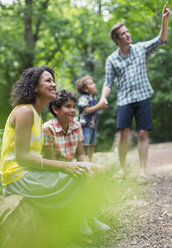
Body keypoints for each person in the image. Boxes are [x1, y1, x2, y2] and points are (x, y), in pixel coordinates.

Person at [0, 66, 105, 248]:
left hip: (29, 172)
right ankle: (71, 232)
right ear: (34, 87)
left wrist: (67, 165)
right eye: (48, 80)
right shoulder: (24, 112)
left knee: (95, 171)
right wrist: (64, 166)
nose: (54, 84)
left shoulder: (36, 115)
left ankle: (77, 225)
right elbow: (22, 157)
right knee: (86, 175)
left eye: (53, 80)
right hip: (17, 176)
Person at [100, 2, 171, 181]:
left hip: (142, 96)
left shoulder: (140, 49)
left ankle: (142, 171)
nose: (128, 34)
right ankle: (122, 169)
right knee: (123, 134)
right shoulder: (111, 60)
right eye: (123, 33)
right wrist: (103, 98)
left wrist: (164, 21)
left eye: (127, 31)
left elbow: (161, 40)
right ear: (117, 39)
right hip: (124, 100)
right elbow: (108, 82)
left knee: (142, 133)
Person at [42, 89, 110, 235]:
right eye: (68, 106)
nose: (73, 110)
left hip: (71, 165)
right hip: (56, 169)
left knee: (101, 170)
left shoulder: (77, 126)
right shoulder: (48, 129)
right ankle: (79, 218)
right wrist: (82, 170)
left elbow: (80, 155)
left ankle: (90, 215)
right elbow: (50, 161)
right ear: (55, 109)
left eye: (73, 106)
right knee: (88, 176)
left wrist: (86, 166)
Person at [75, 75, 106, 162]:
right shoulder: (83, 98)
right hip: (85, 125)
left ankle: (90, 160)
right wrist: (99, 105)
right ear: (85, 89)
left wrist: (101, 106)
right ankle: (82, 160)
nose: (94, 84)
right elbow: (87, 111)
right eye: (91, 84)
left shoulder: (93, 97)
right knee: (85, 144)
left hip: (93, 125)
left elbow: (95, 108)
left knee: (92, 144)